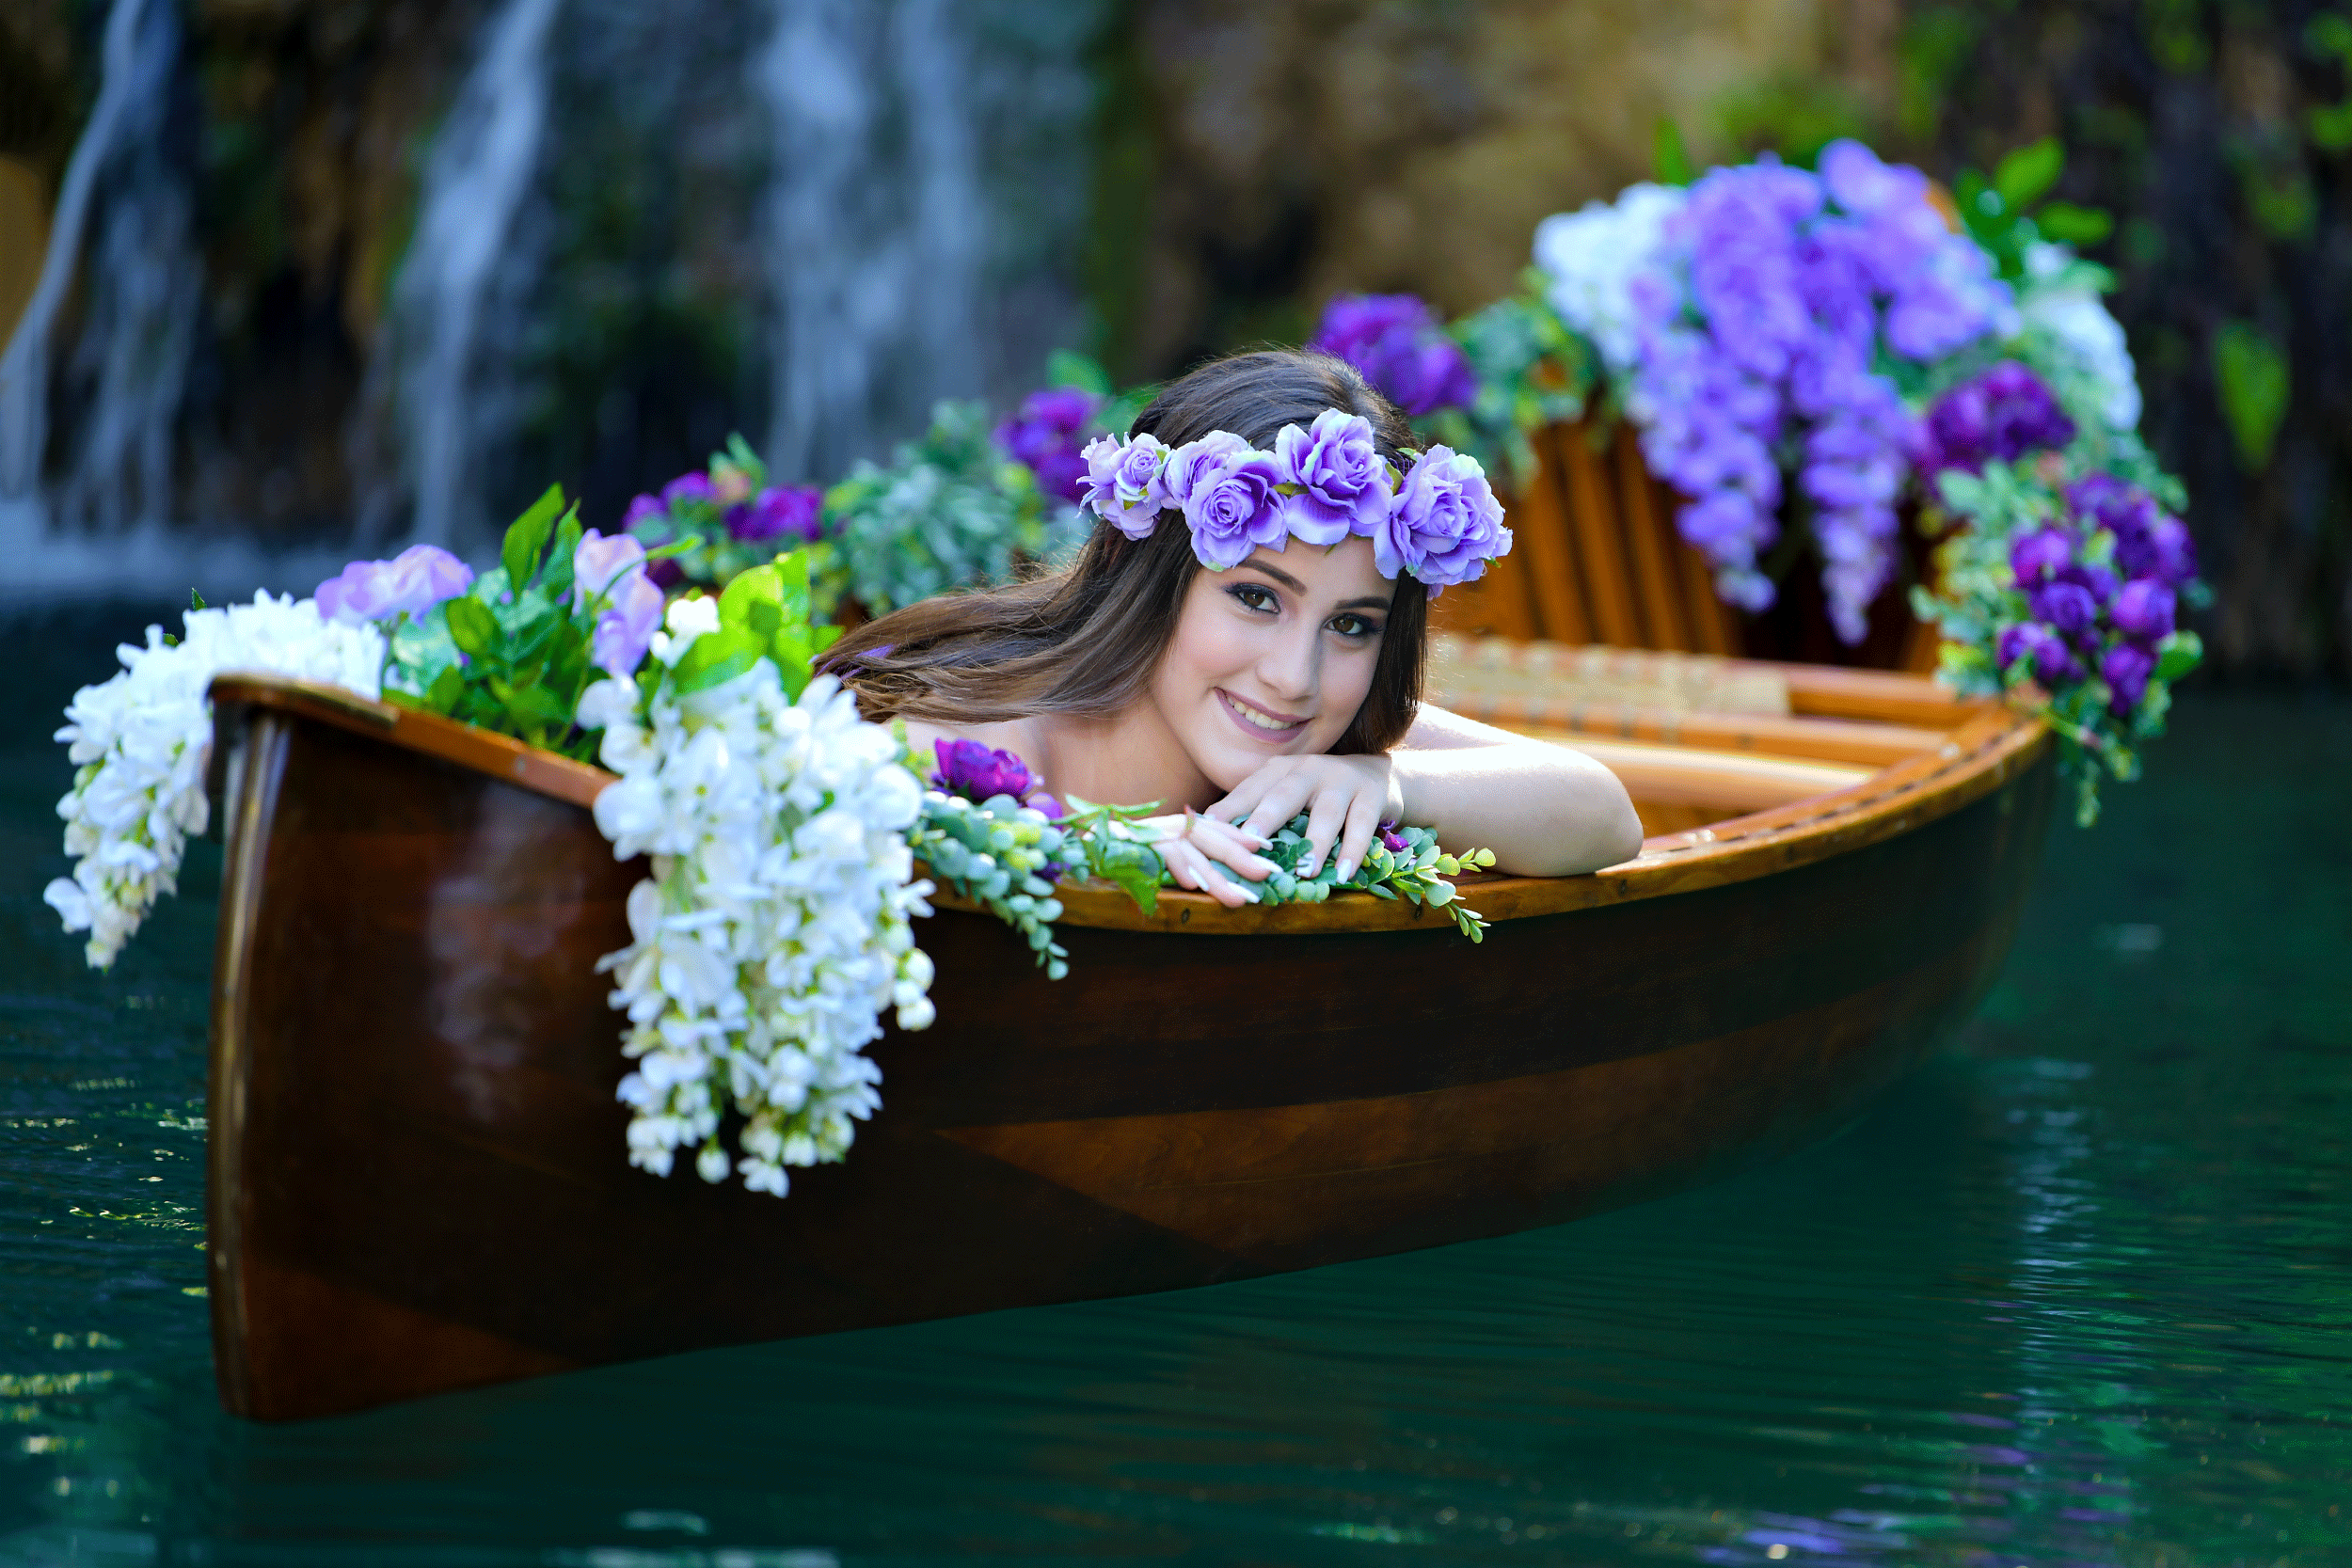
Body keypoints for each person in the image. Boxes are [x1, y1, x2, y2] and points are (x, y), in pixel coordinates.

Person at [823, 349, 1643, 907]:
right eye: (1256, 598)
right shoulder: (978, 745)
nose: (1295, 675)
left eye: (1352, 624)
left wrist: (1389, 784)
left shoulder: (1329, 730)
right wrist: (1103, 847)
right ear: (1145, 571)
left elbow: (1605, 815)